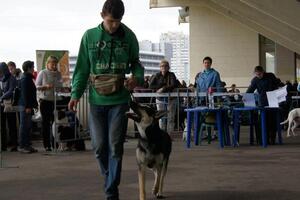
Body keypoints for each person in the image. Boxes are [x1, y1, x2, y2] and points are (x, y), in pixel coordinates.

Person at [68, 1, 144, 199]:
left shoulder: (129, 36)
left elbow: (136, 64)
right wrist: (75, 94)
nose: (114, 26)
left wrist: (136, 78)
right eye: (110, 21)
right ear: (102, 15)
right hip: (96, 101)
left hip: (120, 100)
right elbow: (82, 68)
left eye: (117, 22)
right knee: (99, 147)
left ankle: (111, 191)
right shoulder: (89, 36)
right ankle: (110, 177)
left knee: (115, 145)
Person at [246, 66, 283, 144]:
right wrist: (244, 98)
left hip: (272, 99)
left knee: (272, 121)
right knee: (263, 121)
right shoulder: (255, 80)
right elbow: (249, 91)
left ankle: (272, 139)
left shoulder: (271, 76)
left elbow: (278, 84)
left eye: (260, 74)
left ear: (263, 72)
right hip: (262, 101)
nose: (258, 76)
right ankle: (264, 139)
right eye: (257, 74)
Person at [36, 55, 63, 151]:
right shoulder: (43, 73)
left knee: (55, 123)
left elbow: (60, 84)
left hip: (56, 101)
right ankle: (47, 145)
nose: (54, 65)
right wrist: (45, 86)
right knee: (46, 123)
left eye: (56, 64)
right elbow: (37, 86)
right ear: (48, 63)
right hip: (45, 101)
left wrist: (62, 88)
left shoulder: (59, 74)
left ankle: (55, 143)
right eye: (52, 63)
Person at [149, 60, 178, 133]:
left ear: (168, 67)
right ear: (160, 67)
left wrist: (163, 88)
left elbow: (173, 84)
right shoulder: (157, 75)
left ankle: (169, 134)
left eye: (165, 66)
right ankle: (161, 134)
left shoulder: (171, 75)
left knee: (171, 117)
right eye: (162, 66)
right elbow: (151, 86)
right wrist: (161, 87)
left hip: (171, 99)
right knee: (161, 117)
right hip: (160, 99)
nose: (164, 67)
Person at [18, 61, 38, 153]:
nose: (34, 69)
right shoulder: (25, 78)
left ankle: (27, 145)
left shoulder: (27, 78)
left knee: (28, 126)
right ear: (29, 68)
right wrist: (28, 106)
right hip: (25, 106)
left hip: (27, 105)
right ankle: (22, 146)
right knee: (24, 126)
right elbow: (25, 94)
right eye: (33, 67)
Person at [0, 62, 18, 152]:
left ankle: (14, 144)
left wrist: (1, 97)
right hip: (1, 105)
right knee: (2, 125)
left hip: (10, 104)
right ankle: (3, 145)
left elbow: (11, 91)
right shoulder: (1, 78)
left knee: (12, 125)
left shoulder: (12, 78)